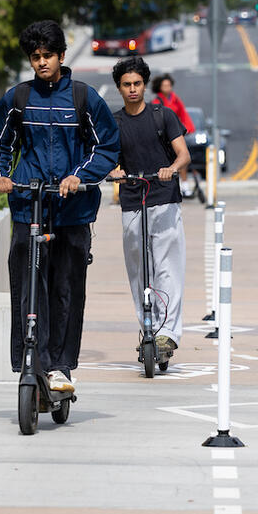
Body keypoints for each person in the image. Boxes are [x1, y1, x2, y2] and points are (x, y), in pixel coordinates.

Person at [0, 20, 120, 393]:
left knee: (66, 288)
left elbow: (106, 145)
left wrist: (80, 176)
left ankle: (60, 367)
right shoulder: (18, 98)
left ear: (61, 56)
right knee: (27, 286)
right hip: (29, 204)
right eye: (35, 57)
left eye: (47, 56)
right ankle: (30, 360)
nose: (41, 62)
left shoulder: (83, 98)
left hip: (73, 210)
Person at [110, 56, 191, 360]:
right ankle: (148, 328)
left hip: (164, 198)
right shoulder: (115, 123)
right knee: (138, 271)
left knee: (167, 267)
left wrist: (171, 167)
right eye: (126, 85)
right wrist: (115, 171)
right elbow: (109, 158)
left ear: (145, 84)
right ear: (119, 88)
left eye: (137, 84)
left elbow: (183, 154)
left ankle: (168, 334)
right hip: (132, 200)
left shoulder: (163, 116)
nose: (132, 89)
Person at [151, 73, 195, 196]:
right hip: (162, 137)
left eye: (169, 85)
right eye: (164, 85)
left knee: (182, 158)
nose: (167, 88)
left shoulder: (175, 99)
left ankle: (185, 185)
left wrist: (188, 128)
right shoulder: (156, 102)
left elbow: (183, 114)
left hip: (174, 134)